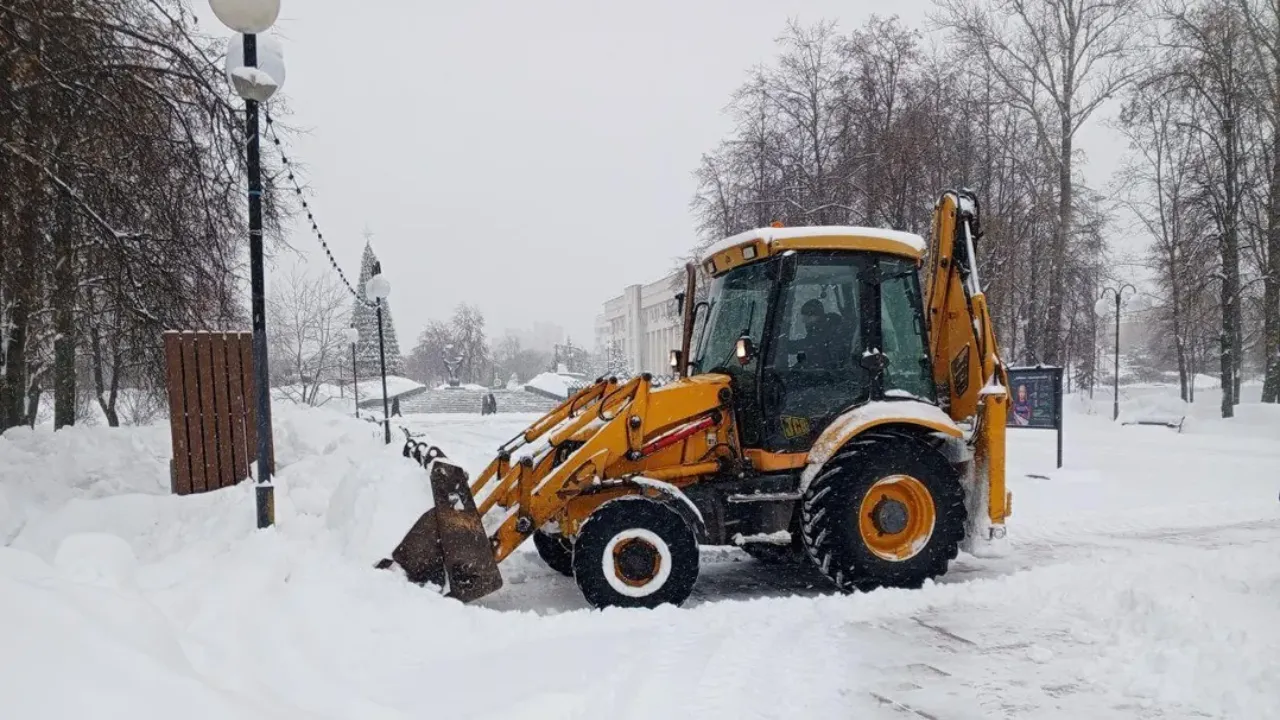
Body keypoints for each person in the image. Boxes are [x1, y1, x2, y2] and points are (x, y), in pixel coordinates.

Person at [791, 298, 842, 368]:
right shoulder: (816, 331)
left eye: (806, 318)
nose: (803, 321)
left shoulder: (829, 331)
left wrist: (786, 346)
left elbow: (813, 346)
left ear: (816, 316)